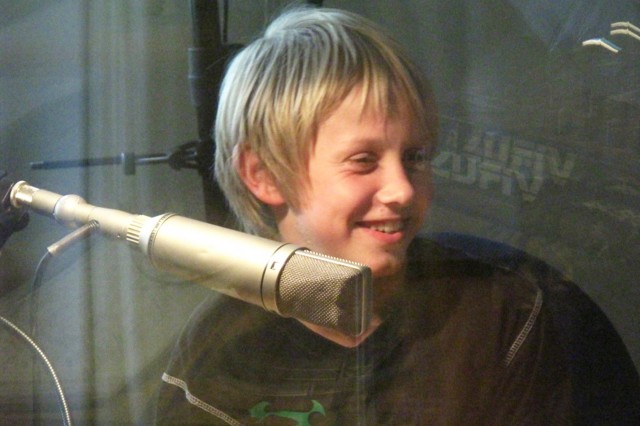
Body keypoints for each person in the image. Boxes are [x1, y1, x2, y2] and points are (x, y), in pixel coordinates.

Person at [156, 6, 574, 424]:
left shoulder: (499, 315)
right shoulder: (214, 362)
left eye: (415, 157)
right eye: (363, 160)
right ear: (264, 174)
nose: (402, 190)